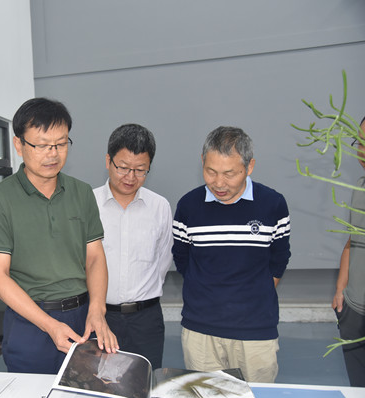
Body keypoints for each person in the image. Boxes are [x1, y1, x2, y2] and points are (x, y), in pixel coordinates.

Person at [0, 97, 118, 374]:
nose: (53, 154)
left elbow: (94, 258)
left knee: (85, 395)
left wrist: (97, 310)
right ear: (19, 145)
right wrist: (50, 325)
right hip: (29, 322)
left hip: (82, 317)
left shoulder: (81, 193)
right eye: (42, 145)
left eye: (61, 144)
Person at [172, 126, 291, 382]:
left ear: (249, 167)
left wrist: (253, 293)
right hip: (200, 333)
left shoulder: (273, 204)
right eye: (210, 171)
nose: (218, 183)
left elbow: (279, 259)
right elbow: (182, 258)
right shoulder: (188, 206)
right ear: (202, 162)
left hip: (256, 333)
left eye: (229, 174)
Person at [93, 124, 172, 369]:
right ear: (108, 161)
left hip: (146, 320)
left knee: (146, 381)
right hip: (99, 317)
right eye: (123, 167)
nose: (130, 177)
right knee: (97, 383)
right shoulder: (88, 203)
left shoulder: (159, 206)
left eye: (140, 170)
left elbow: (163, 260)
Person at [332, 116, 365, 387]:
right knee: (358, 388)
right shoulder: (360, 187)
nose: (362, 151)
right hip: (354, 307)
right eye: (360, 143)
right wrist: (341, 289)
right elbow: (351, 241)